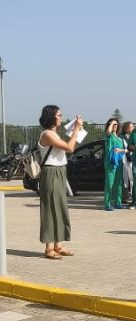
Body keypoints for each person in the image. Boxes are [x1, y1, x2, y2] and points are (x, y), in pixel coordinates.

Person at [36, 106, 85, 259]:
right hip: (51, 172)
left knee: (60, 207)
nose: (62, 118)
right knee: (50, 208)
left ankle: (59, 245)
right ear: (52, 117)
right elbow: (70, 148)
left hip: (59, 171)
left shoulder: (54, 134)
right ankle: (49, 248)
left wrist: (76, 131)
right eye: (59, 115)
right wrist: (76, 129)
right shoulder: (47, 134)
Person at [102, 118, 127, 211]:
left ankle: (118, 202)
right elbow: (108, 131)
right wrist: (111, 123)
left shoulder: (120, 138)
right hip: (110, 162)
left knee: (119, 183)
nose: (114, 126)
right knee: (109, 183)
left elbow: (125, 150)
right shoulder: (108, 135)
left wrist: (122, 150)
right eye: (112, 124)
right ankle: (107, 204)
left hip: (119, 162)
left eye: (116, 124)